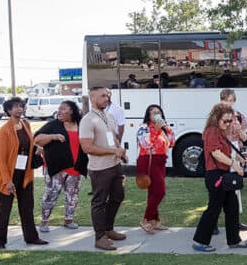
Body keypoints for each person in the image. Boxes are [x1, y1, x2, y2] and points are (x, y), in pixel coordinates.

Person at [191, 103, 247, 251]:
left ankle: (234, 240)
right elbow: (216, 153)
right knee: (214, 209)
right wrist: (234, 164)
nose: (228, 124)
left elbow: (226, 152)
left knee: (232, 207)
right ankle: (200, 241)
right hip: (215, 175)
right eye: (225, 121)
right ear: (216, 118)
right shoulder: (211, 132)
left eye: (230, 121)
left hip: (225, 174)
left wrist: (239, 160)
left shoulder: (221, 132)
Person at [0, 97, 45, 248]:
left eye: (21, 106)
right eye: (15, 107)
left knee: (27, 207)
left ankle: (32, 237)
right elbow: (2, 159)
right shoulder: (5, 130)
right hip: (8, 174)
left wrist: (37, 150)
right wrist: (8, 181)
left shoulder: (26, 124)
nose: (19, 109)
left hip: (25, 173)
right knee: (4, 209)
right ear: (8, 111)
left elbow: (29, 144)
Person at [80, 86, 127, 251]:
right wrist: (113, 151)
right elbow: (87, 147)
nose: (107, 98)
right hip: (100, 169)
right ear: (93, 98)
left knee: (118, 197)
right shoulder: (87, 120)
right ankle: (99, 237)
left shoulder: (109, 116)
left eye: (107, 96)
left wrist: (120, 151)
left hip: (115, 165)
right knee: (99, 202)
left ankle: (108, 229)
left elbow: (113, 137)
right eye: (103, 96)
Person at [35, 100, 87, 233]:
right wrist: (52, 137)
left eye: (63, 109)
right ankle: (44, 222)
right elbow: (37, 139)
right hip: (56, 167)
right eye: (59, 109)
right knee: (50, 194)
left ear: (72, 111)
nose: (60, 111)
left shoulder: (81, 125)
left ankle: (68, 220)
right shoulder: (53, 125)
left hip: (75, 167)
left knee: (72, 195)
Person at [136, 104, 175, 233]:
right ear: (148, 115)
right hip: (149, 161)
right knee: (160, 191)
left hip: (160, 161)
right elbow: (146, 143)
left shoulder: (163, 128)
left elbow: (171, 143)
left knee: (153, 192)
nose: (156, 115)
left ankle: (154, 220)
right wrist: (156, 130)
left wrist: (166, 129)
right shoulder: (144, 127)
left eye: (159, 112)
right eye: (153, 113)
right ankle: (146, 219)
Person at [219, 88, 247, 232]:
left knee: (235, 186)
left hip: (235, 151)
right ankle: (213, 222)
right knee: (220, 188)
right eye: (226, 100)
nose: (228, 103)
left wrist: (239, 130)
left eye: (231, 100)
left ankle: (235, 220)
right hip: (222, 152)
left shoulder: (238, 116)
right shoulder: (217, 116)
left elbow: (244, 138)